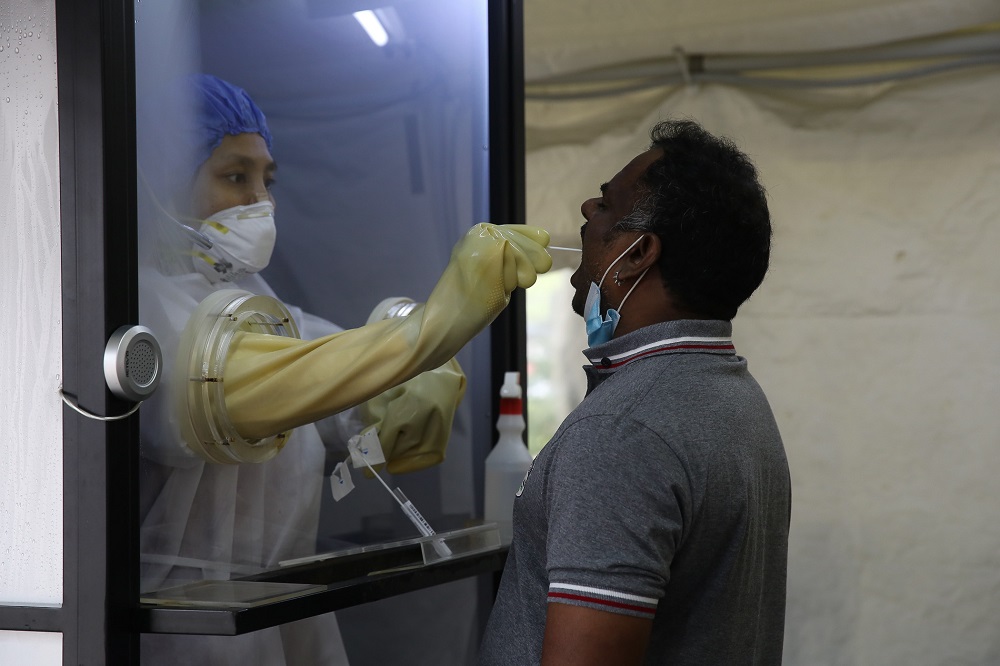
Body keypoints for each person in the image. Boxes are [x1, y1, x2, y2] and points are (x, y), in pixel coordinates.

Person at [137, 74, 551, 665]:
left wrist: (402, 381)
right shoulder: (138, 304)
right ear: (162, 183)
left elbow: (332, 370)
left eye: (267, 180)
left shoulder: (251, 296)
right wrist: (430, 328)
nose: (262, 200)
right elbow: (231, 390)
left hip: (282, 612)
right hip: (184, 628)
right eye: (236, 176)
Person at [479, 119, 790, 665]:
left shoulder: (622, 431)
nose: (584, 211)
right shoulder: (733, 393)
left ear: (639, 253)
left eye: (604, 204)